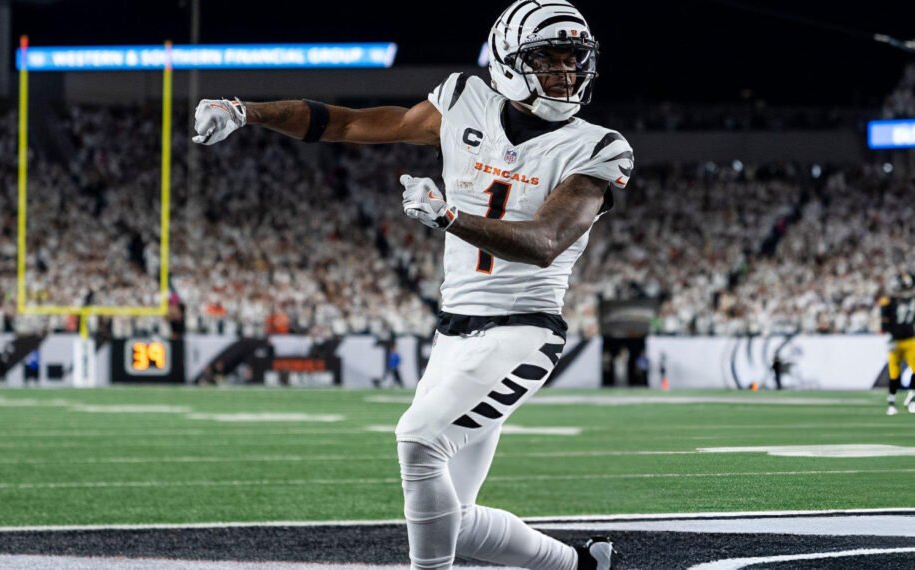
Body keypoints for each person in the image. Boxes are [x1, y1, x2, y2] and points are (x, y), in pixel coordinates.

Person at [192, 2, 627, 567]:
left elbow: (545, 243)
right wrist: (244, 110)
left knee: (419, 441)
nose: (565, 75)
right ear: (509, 61)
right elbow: (348, 123)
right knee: (457, 521)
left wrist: (449, 218)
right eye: (549, 59)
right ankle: (582, 564)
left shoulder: (597, 146)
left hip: (524, 329)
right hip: (453, 334)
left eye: (573, 60)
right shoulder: (464, 102)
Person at [880, 271, 915, 415]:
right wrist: (889, 337)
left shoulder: (911, 300)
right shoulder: (888, 301)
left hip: (911, 340)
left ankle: (912, 398)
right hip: (896, 341)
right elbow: (885, 323)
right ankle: (891, 401)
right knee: (894, 373)